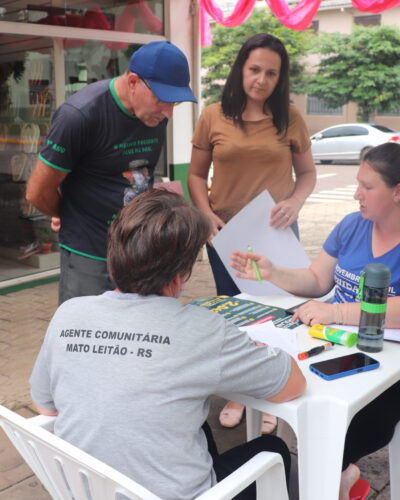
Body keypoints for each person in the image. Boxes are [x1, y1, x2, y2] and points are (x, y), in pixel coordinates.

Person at [29, 189, 306, 500]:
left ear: (115, 256)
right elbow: (293, 384)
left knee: (197, 428)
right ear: (181, 274)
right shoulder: (202, 329)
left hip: (84, 489)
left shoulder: (69, 313)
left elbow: (44, 405)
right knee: (274, 449)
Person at [230, 142, 400, 500]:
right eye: (357, 183)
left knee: (353, 426)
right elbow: (317, 280)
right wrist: (272, 272)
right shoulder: (353, 225)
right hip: (332, 343)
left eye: (368, 187)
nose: (357, 194)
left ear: (397, 192)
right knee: (302, 399)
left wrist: (336, 311)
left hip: (387, 364)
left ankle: (336, 471)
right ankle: (336, 473)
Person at [188, 33, 316, 431]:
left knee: (274, 311)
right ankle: (237, 393)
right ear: (241, 69)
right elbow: (195, 174)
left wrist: (295, 202)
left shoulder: (290, 118)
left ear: (280, 78)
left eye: (271, 73)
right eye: (255, 69)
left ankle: (271, 388)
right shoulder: (212, 115)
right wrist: (205, 215)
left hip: (274, 233)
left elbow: (307, 174)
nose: (261, 79)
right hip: (223, 232)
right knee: (233, 312)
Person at [26, 41, 197, 305]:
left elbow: (142, 176)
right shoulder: (80, 115)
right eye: (162, 100)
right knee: (86, 335)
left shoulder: (154, 115)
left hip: (138, 249)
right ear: (132, 81)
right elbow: (37, 191)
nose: (168, 113)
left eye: (175, 103)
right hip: (90, 254)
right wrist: (66, 214)